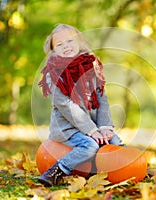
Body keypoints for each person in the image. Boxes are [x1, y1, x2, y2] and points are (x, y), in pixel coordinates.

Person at [37, 24, 122, 186]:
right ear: (53, 50)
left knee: (115, 143)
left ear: (79, 42)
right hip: (67, 128)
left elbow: (101, 97)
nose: (66, 46)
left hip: (94, 125)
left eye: (70, 41)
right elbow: (67, 106)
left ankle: (105, 171)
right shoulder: (53, 73)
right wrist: (91, 130)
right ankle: (56, 171)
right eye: (60, 44)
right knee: (90, 145)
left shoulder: (91, 66)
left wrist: (104, 127)